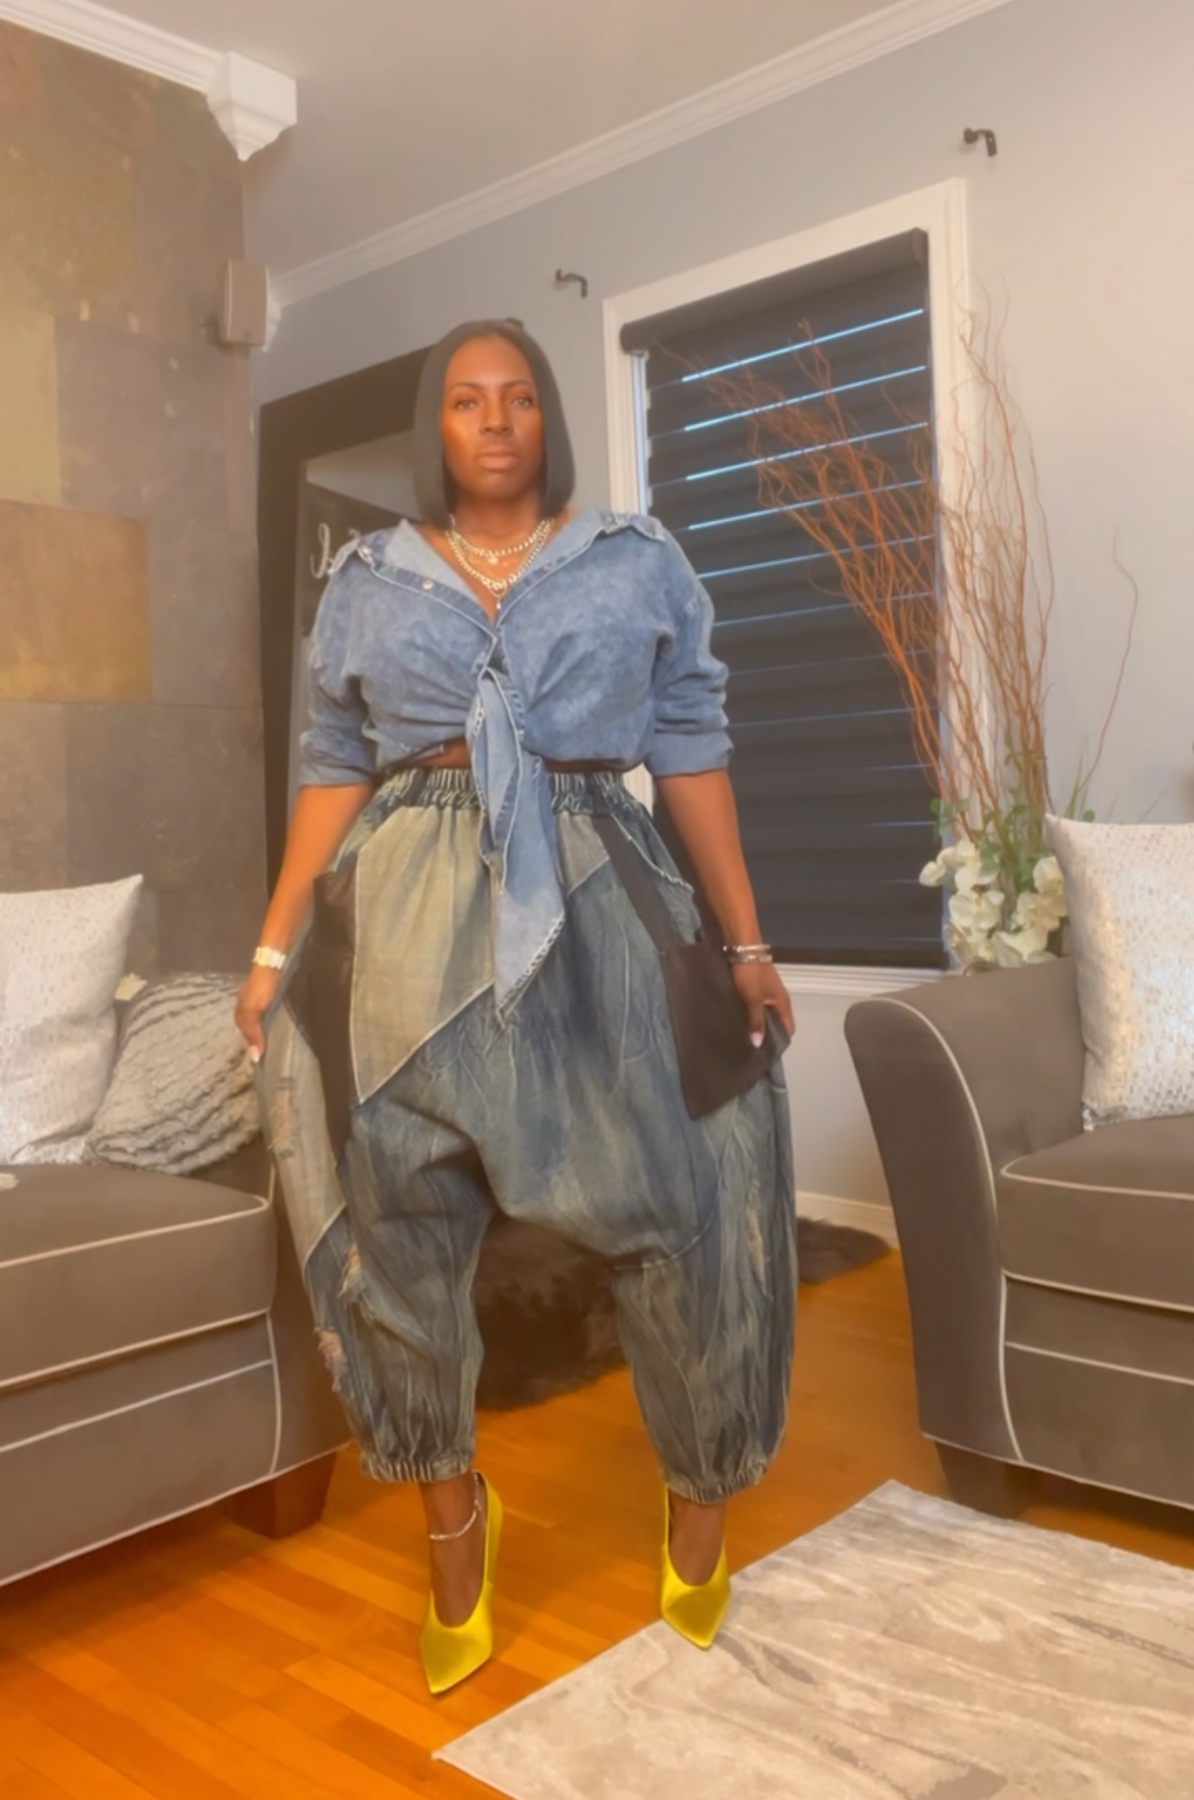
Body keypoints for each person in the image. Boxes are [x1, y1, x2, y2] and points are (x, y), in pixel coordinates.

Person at [236, 319, 797, 1695]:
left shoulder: (635, 560)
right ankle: (451, 1528)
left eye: (519, 399)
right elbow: (331, 765)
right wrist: (271, 943)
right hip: (405, 910)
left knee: (683, 1191)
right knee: (399, 1215)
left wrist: (746, 941)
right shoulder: (367, 579)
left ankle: (699, 1506)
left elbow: (692, 750)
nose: (495, 421)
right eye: (466, 402)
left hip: (603, 888)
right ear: (434, 426)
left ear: (550, 419)